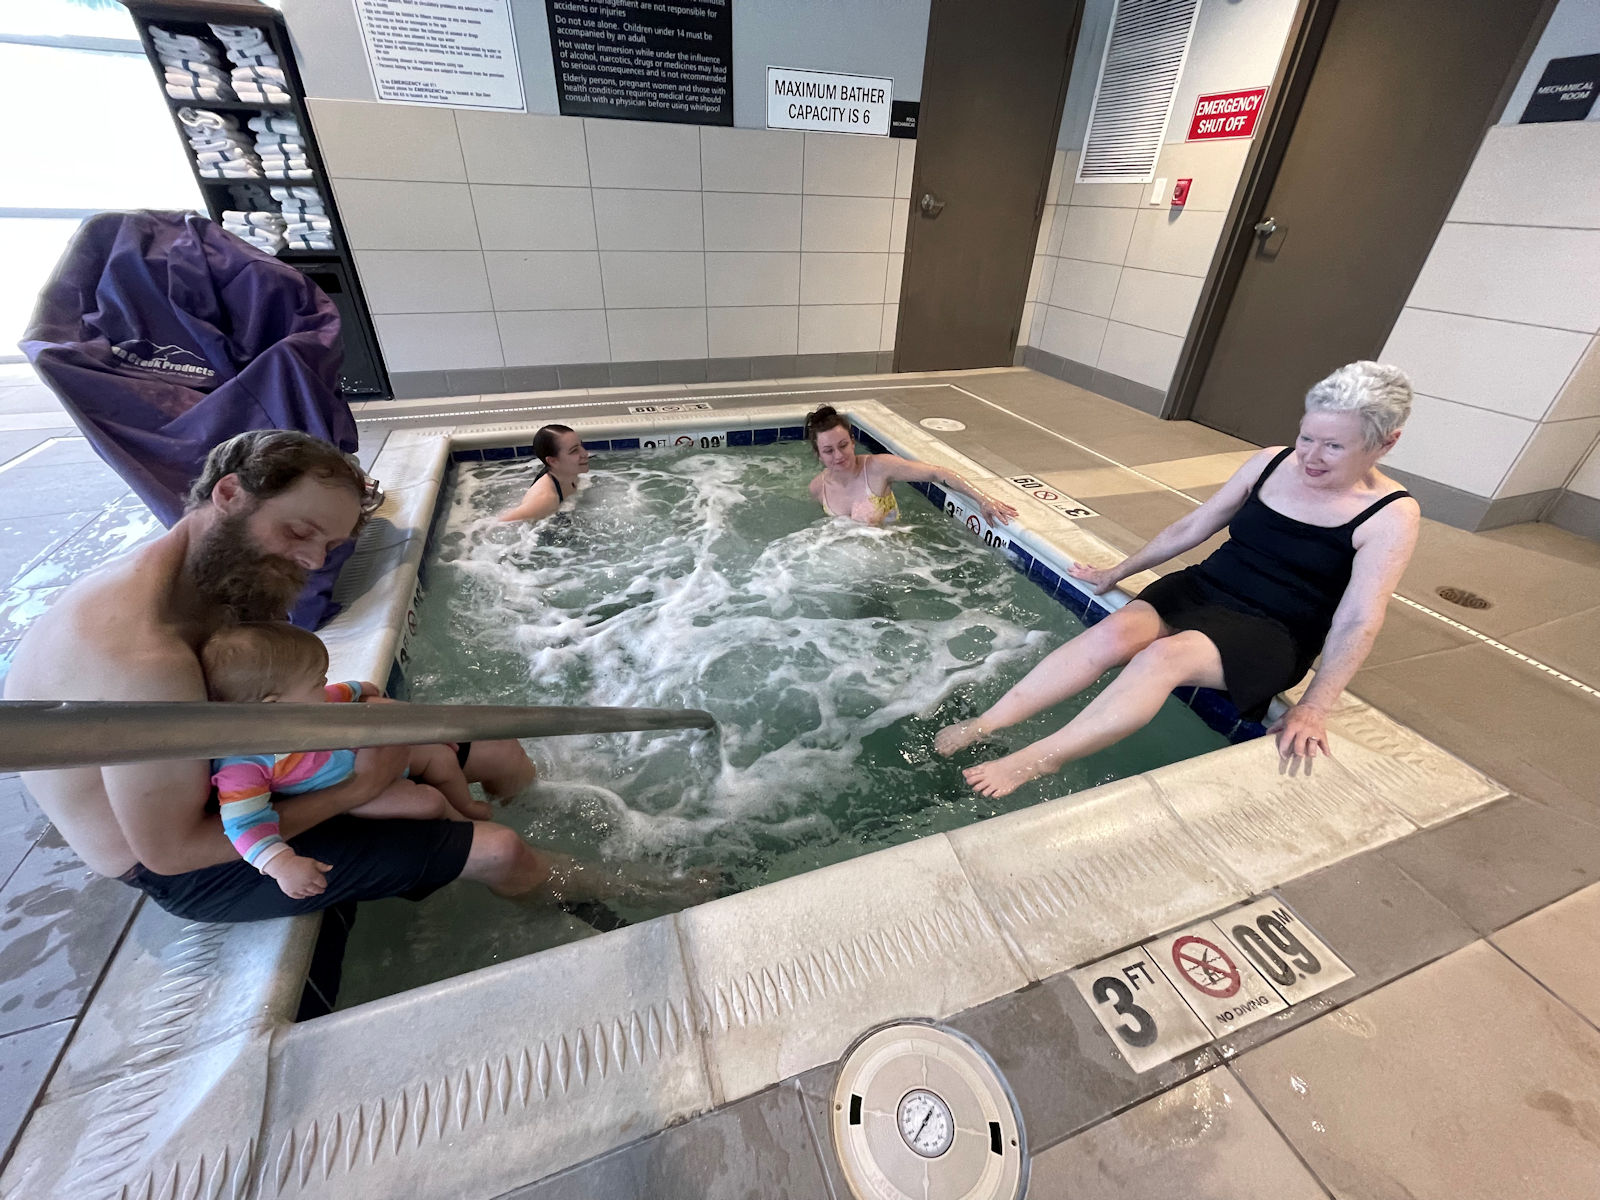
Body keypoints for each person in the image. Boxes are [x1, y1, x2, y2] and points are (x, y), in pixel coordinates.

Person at [4, 429, 699, 922]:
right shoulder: (143, 653)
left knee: (498, 749)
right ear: (229, 494)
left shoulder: (220, 580)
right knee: (499, 850)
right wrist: (359, 788)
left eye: (330, 546)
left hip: (256, 768)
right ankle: (622, 900)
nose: (312, 563)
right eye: (298, 532)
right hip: (191, 858)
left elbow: (268, 707)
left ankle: (538, 827)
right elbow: (171, 849)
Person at [936, 361, 1422, 798]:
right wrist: (1118, 570)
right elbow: (1193, 526)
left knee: (1160, 658)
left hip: (1276, 629)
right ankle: (986, 724)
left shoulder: (1390, 515)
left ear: (1386, 443)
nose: (1311, 457)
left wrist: (1315, 705)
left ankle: (1041, 759)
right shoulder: (1272, 461)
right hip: (1206, 587)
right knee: (1113, 633)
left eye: (1334, 446)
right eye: (1307, 437)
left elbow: (1360, 618)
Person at [202, 620, 494, 900]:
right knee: (428, 801)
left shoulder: (301, 708)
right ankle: (464, 824)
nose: (325, 684)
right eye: (317, 682)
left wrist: (357, 689)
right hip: (347, 793)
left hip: (361, 759)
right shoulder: (244, 765)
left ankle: (465, 805)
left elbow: (333, 695)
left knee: (440, 756)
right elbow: (244, 823)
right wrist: (281, 864)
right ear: (274, 705)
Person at [804, 405, 1019, 527]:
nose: (838, 455)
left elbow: (937, 473)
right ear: (818, 455)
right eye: (829, 451)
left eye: (843, 445)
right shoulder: (817, 488)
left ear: (853, 442)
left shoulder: (878, 468)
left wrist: (984, 500)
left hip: (894, 563)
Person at [497, 424, 590, 524]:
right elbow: (499, 523)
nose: (585, 453)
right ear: (553, 461)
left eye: (581, 445)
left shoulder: (568, 473)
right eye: (574, 450)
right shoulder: (545, 499)